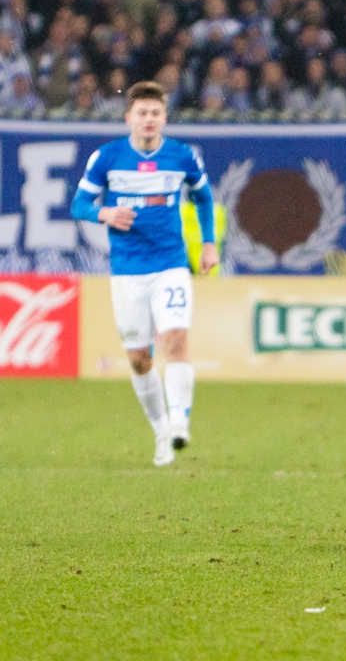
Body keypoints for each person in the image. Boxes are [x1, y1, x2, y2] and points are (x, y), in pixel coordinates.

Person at [70, 81, 217, 467]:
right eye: (142, 113)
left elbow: (203, 196)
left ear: (164, 118)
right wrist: (104, 212)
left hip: (170, 265)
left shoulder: (182, 156)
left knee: (176, 340)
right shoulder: (107, 157)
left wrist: (208, 243)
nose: (149, 119)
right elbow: (79, 203)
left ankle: (180, 422)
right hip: (127, 272)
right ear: (129, 118)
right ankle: (160, 431)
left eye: (155, 113)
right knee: (139, 359)